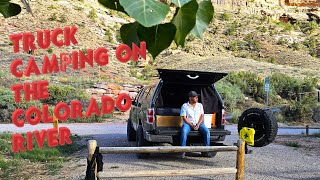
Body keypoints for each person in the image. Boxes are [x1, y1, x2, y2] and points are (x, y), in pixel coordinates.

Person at [180, 91, 210, 158]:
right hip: (188, 124)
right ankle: (182, 151)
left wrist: (198, 124)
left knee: (207, 132)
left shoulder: (200, 105)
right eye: (195, 97)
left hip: (199, 123)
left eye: (197, 97)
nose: (197, 98)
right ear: (190, 98)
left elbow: (202, 116)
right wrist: (191, 125)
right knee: (184, 132)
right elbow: (184, 118)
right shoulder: (184, 106)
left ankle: (206, 150)